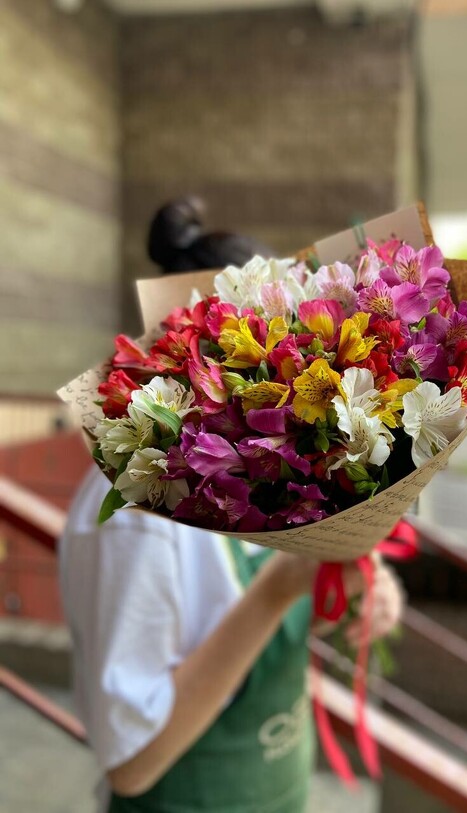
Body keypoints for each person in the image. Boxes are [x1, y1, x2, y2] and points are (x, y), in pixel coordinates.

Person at [60, 197, 404, 813]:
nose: (280, 374)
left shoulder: (259, 467)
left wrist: (353, 589)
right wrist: (281, 587)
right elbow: (133, 765)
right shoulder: (140, 511)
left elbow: (256, 629)